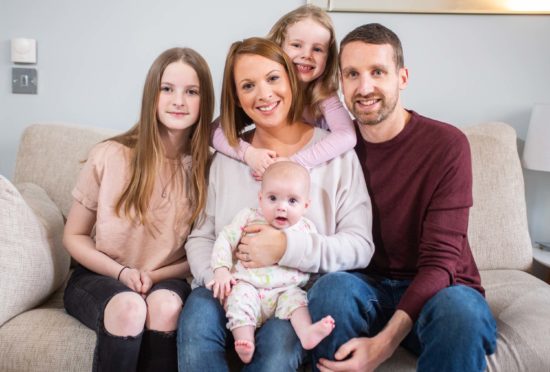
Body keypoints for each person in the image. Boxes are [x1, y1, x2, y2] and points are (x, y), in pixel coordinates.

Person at [177, 37, 374, 371]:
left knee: (278, 354)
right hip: (230, 287)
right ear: (237, 98)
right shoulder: (227, 158)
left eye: (272, 79)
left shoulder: (336, 156)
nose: (264, 94)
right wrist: (219, 278)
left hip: (293, 295)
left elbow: (359, 247)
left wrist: (285, 247)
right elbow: (201, 236)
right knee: (196, 321)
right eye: (248, 85)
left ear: (291, 81)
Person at [309, 23, 497, 372]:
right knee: (330, 290)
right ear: (340, 84)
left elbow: (441, 262)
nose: (365, 87)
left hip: (441, 291)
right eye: (352, 74)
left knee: (462, 313)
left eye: (377, 72)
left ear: (403, 77)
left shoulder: (446, 145)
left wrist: (384, 344)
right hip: (366, 288)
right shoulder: (331, 148)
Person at [62, 47, 214, 372]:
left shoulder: (209, 168)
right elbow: (73, 235)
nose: (179, 101)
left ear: (205, 101)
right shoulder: (109, 155)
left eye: (191, 92)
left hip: (164, 278)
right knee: (130, 308)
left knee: (165, 306)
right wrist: (122, 274)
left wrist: (152, 276)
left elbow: (205, 249)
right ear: (152, 96)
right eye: (167, 89)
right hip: (101, 275)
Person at [208, 161, 335, 364]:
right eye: (273, 198)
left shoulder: (306, 228)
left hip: (286, 290)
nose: (281, 207)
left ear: (306, 205)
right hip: (250, 285)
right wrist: (221, 269)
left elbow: (314, 257)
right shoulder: (249, 217)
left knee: (298, 302)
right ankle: (244, 340)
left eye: (292, 201)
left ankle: (307, 333)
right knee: (238, 301)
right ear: (261, 198)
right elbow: (225, 239)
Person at [211, 4, 355, 178]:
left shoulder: (323, 94)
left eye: (317, 49)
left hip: (316, 173)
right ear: (279, 46)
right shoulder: (265, 96)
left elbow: (347, 135)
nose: (307, 55)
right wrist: (248, 154)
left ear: (328, 58)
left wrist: (294, 163)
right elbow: (212, 131)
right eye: (296, 45)